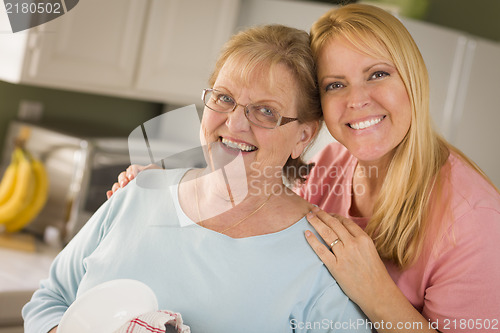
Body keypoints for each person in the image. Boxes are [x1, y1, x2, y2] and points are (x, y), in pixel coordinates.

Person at [111, 4, 500, 333]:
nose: (357, 100)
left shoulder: (476, 223)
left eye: (378, 74)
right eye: (335, 85)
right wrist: (165, 189)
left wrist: (377, 293)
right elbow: (256, 189)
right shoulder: (334, 163)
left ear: (414, 79)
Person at [23, 24, 370, 333]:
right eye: (224, 98)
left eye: (267, 111)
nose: (235, 124)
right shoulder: (138, 194)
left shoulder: (321, 255)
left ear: (303, 136)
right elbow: (50, 300)